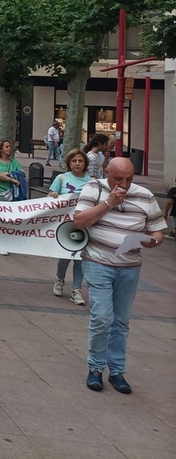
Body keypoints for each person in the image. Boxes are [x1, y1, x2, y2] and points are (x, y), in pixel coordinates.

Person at [74, 158, 165, 394]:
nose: (124, 184)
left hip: (130, 265)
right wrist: (109, 203)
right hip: (98, 261)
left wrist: (152, 241)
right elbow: (80, 221)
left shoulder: (144, 195)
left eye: (129, 179)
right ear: (107, 173)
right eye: (118, 179)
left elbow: (157, 229)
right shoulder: (94, 188)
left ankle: (116, 371)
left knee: (121, 320)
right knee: (102, 317)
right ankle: (96, 368)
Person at [48, 149, 92, 305]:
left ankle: (76, 289)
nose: (77, 164)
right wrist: (53, 195)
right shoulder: (61, 178)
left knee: (80, 256)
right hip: (65, 224)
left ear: (85, 163)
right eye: (74, 161)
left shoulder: (92, 182)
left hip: (85, 224)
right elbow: (50, 199)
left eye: (80, 161)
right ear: (69, 163)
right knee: (65, 254)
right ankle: (59, 279)